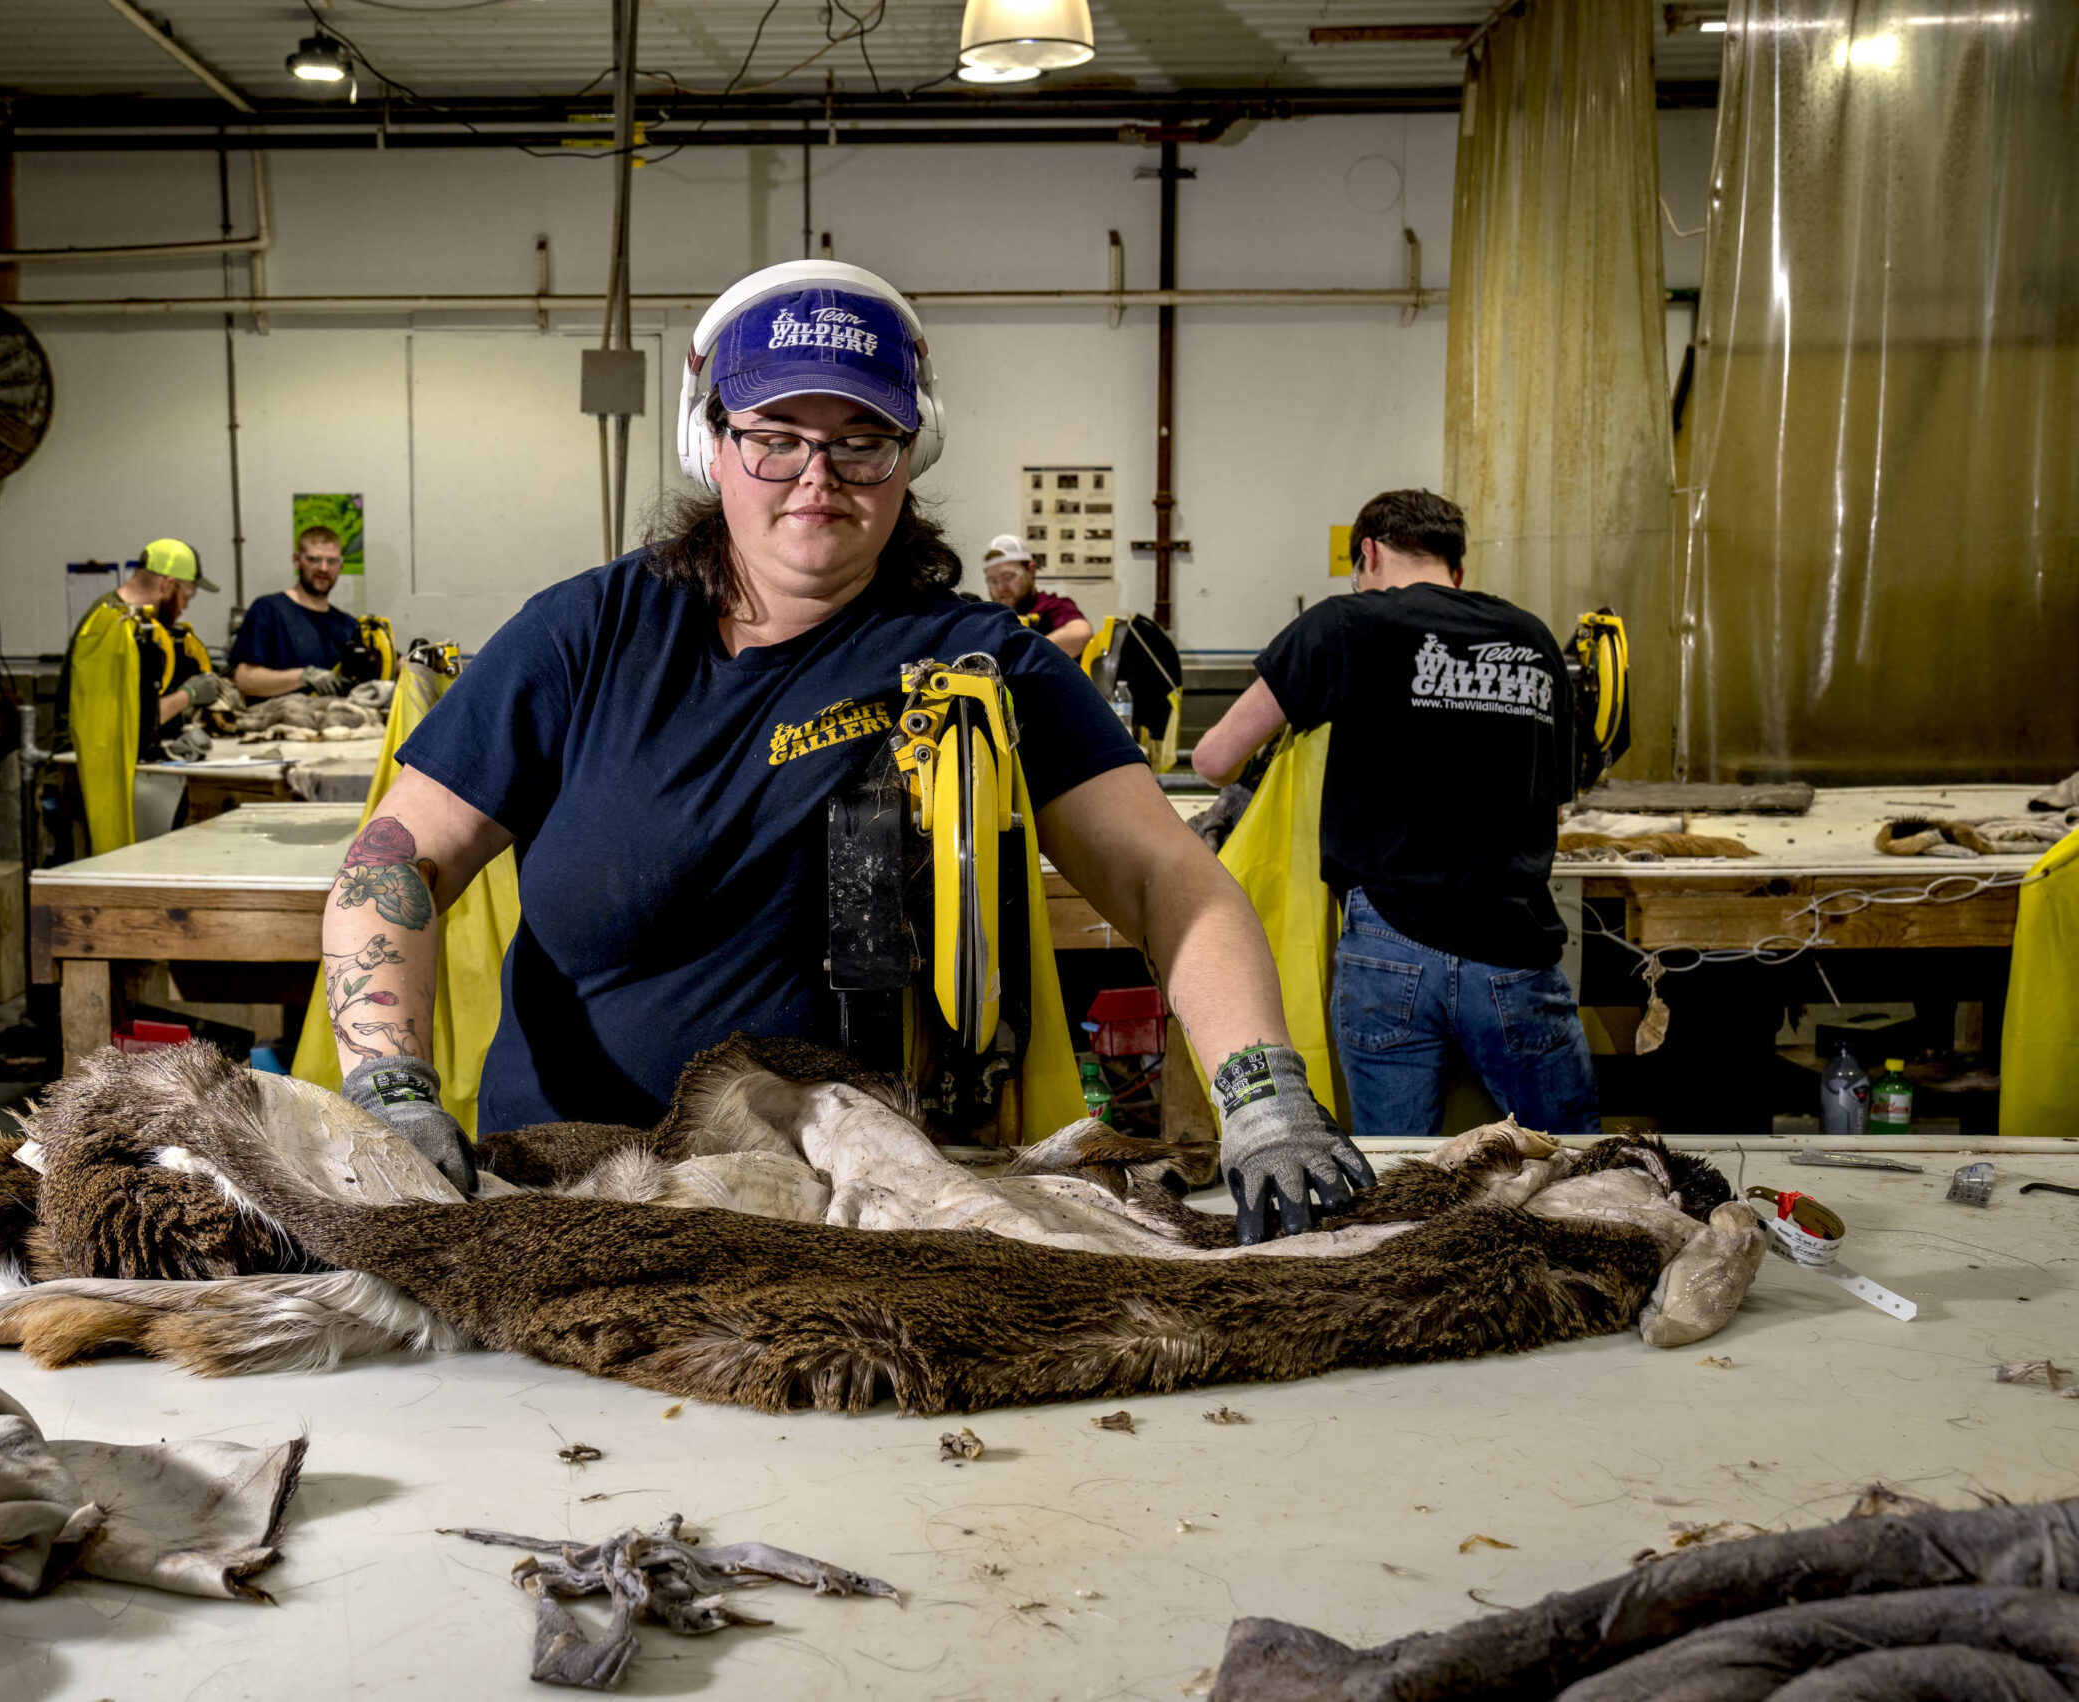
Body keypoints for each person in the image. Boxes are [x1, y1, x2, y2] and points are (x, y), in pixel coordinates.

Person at [317, 260, 1370, 1244]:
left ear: (911, 456)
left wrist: (1261, 1092)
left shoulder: (978, 662)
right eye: (776, 436)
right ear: (712, 444)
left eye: (862, 442)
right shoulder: (584, 637)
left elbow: (1162, 873)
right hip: (571, 1193)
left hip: (850, 1211)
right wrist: (390, 1089)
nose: (817, 476)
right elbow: (393, 861)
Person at [1189, 489, 1596, 1139]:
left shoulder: (1344, 625)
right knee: (1573, 1163)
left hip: (1386, 947)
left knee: (1394, 1169)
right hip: (1512, 942)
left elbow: (1214, 758)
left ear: (1369, 554)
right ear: (1456, 569)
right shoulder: (1533, 639)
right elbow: (1557, 788)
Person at [60, 538, 227, 852]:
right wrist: (187, 696)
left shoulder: (133, 621)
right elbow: (120, 724)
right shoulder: (110, 623)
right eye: (187, 594)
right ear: (168, 584)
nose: (186, 605)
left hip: (113, 770)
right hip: (83, 779)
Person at [231, 525, 364, 700]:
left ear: (340, 565)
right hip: (277, 723)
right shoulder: (268, 610)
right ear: (297, 560)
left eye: (331, 561)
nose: (323, 568)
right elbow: (245, 679)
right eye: (314, 559)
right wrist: (303, 677)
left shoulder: (348, 625)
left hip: (335, 722)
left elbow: (391, 660)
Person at [980, 536, 1091, 658]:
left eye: (1008, 577)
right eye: (992, 581)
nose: (1001, 588)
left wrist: (1022, 655)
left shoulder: (1051, 606)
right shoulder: (990, 616)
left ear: (1031, 570)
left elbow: (1081, 633)